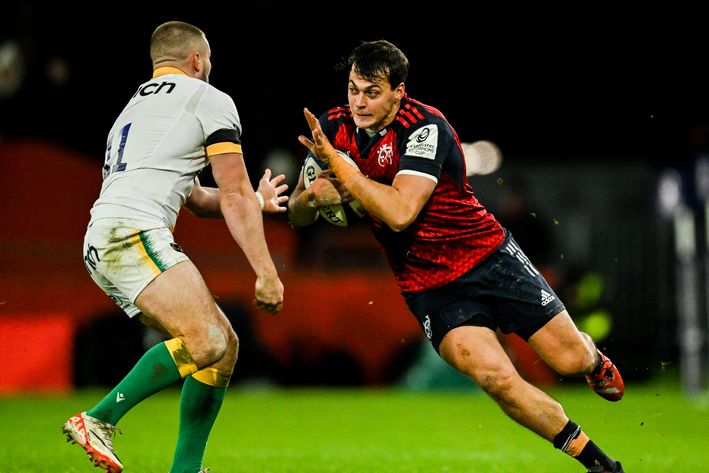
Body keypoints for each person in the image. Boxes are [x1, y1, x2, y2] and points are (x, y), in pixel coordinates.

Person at [288, 39, 625, 473]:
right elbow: (295, 213)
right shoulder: (332, 128)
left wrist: (345, 174)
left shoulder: (425, 127)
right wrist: (311, 198)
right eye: (353, 90)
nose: (359, 102)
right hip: (429, 287)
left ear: (399, 92)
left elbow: (400, 213)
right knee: (495, 378)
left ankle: (593, 361)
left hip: (488, 257)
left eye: (372, 92)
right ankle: (599, 463)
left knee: (568, 360)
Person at [62, 21, 286, 473]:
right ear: (197, 60)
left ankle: (185, 469)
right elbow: (233, 193)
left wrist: (256, 200)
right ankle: (99, 418)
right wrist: (266, 271)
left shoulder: (133, 110)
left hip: (106, 236)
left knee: (222, 346)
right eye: (209, 61)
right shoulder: (208, 99)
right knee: (206, 340)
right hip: (132, 232)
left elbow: (198, 198)